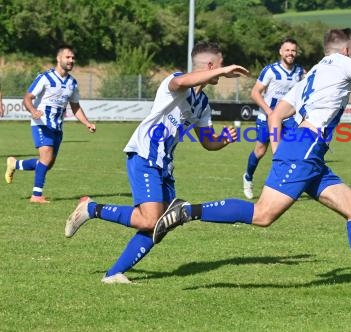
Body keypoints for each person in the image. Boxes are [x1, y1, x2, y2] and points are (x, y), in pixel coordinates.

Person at [152, 28, 351, 297]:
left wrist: (280, 148)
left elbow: (277, 114)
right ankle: (187, 211)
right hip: (305, 148)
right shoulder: (342, 61)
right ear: (348, 49)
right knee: (263, 215)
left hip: (306, 152)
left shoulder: (313, 73)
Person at [64, 41, 249, 284]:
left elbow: (207, 142)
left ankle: (113, 274)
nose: (223, 70)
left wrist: (223, 140)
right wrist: (222, 72)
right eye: (221, 65)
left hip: (165, 164)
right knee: (151, 219)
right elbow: (182, 83)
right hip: (145, 154)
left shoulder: (203, 104)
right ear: (211, 65)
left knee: (160, 225)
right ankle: (91, 209)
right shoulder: (175, 81)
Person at [4, 45, 96, 203]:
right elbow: (27, 98)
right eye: (68, 57)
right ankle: (36, 196)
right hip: (41, 123)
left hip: (57, 127)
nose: (71, 60)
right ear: (58, 59)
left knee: (47, 164)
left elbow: (75, 106)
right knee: (45, 158)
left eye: (73, 58)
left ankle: (15, 164)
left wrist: (87, 123)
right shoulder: (45, 77)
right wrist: (33, 111)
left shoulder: (72, 83)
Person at [242, 38, 304, 199]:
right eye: (287, 50)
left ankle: (284, 186)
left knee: (291, 149)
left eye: (293, 50)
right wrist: (270, 112)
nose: (290, 53)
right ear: (280, 52)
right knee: (260, 150)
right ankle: (248, 177)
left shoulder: (300, 72)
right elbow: (255, 93)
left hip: (288, 119)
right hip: (267, 117)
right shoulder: (270, 70)